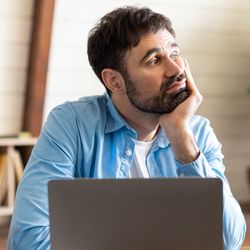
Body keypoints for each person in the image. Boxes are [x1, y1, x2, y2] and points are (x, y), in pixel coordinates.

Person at [8, 6, 246, 250]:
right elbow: (28, 240)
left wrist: (182, 139)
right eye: (154, 60)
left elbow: (229, 240)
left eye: (174, 54)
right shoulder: (72, 124)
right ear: (114, 80)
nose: (177, 71)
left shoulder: (196, 132)